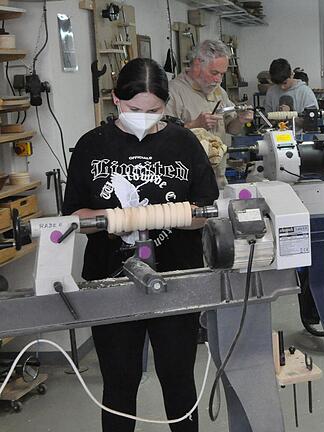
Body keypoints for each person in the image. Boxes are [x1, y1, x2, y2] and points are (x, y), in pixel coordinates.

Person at [62, 58, 219, 432]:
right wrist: (115, 219)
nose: (144, 117)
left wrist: (165, 216)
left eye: (155, 110)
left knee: (179, 380)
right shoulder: (91, 145)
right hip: (109, 281)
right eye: (134, 109)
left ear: (166, 106)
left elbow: (205, 209)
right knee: (119, 383)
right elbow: (75, 217)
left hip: (177, 278)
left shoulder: (184, 143)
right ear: (115, 99)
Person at [166, 39, 254, 186]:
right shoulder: (173, 92)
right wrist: (195, 125)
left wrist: (240, 120)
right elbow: (164, 138)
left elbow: (232, 129)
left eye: (222, 74)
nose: (218, 79)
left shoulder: (219, 92)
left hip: (218, 179)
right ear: (197, 65)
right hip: (189, 181)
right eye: (214, 73)